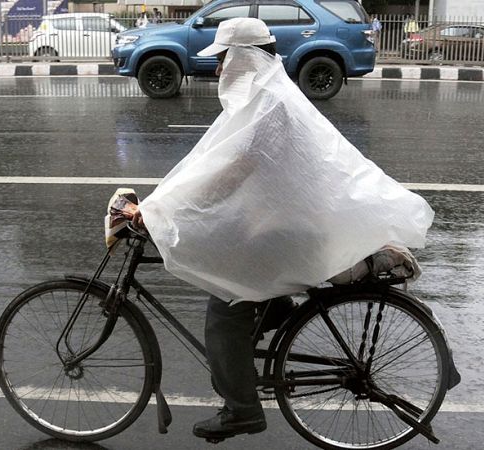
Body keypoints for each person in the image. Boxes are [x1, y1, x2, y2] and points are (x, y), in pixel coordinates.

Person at [133, 16, 433, 443]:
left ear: (244, 59)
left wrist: (162, 211)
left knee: (224, 311)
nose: (218, 70)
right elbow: (211, 166)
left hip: (293, 232)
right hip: (287, 223)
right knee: (227, 257)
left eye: (222, 60)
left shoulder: (267, 105)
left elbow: (229, 174)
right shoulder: (267, 95)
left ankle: (242, 411)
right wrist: (165, 204)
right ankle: (277, 311)